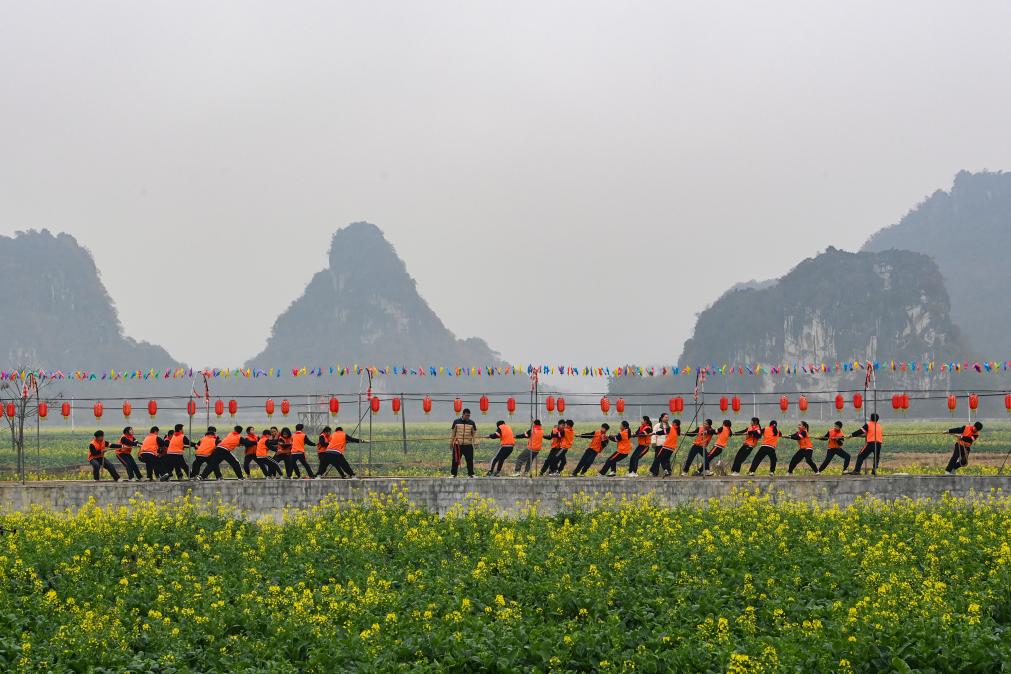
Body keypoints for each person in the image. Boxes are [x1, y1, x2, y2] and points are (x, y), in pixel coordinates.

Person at [450, 409, 477, 478]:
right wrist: (451, 443)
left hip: (468, 444)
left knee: (470, 460)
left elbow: (474, 434)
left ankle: (471, 474)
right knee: (455, 460)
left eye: (469, 415)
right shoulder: (456, 422)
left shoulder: (472, 423)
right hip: (457, 445)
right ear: (463, 414)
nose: (468, 417)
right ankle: (453, 474)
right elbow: (453, 433)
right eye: (466, 415)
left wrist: (475, 442)